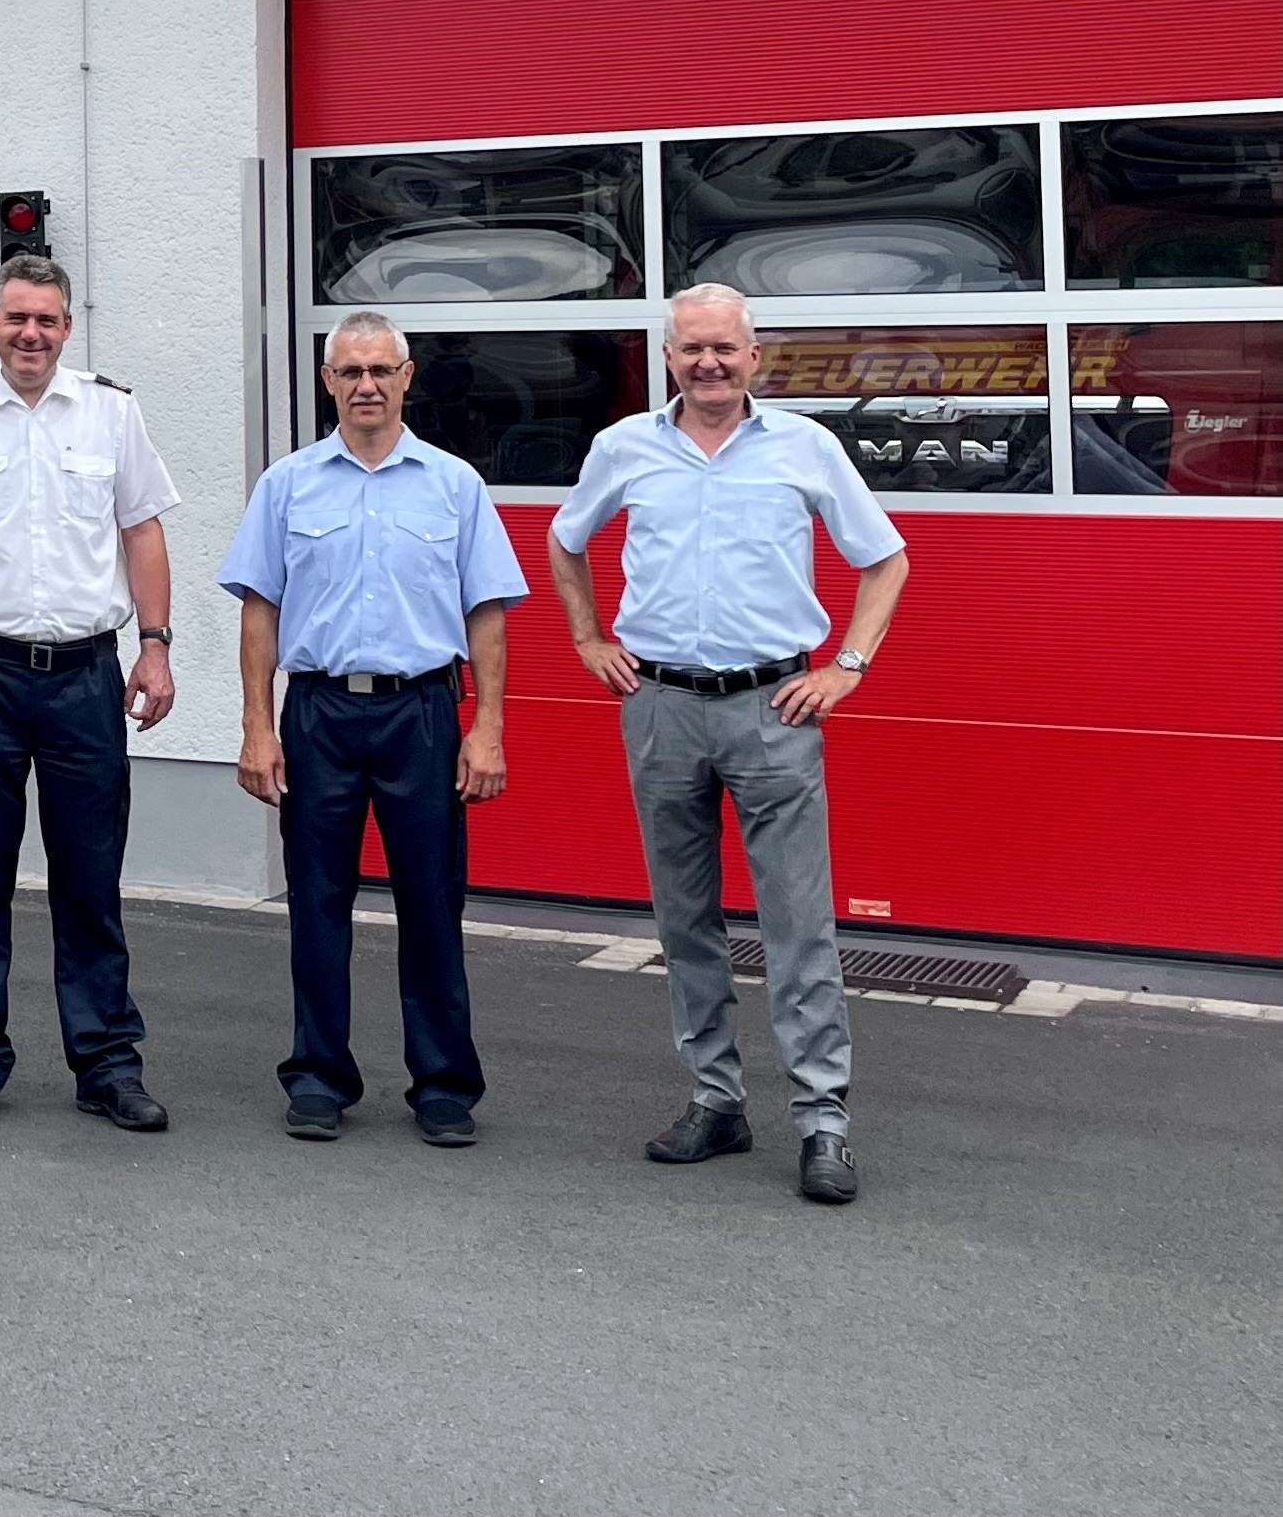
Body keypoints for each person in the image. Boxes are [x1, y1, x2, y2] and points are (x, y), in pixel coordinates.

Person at [548, 282, 909, 1207]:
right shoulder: (622, 447)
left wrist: (848, 665)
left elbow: (885, 556)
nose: (707, 363)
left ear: (756, 356)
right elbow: (564, 539)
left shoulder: (805, 447)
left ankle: (822, 1120)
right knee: (684, 919)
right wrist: (589, 637)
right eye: (689, 349)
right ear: (666, 356)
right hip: (661, 705)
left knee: (798, 922)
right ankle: (716, 1100)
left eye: (723, 348)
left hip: (772, 709)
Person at [0, 255, 182, 1133]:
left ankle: (106, 1062)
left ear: (65, 328)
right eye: (17, 318)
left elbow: (143, 530)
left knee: (89, 880)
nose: (31, 334)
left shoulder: (110, 412)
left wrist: (155, 648)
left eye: (47, 320)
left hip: (85, 677)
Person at [219, 311, 521, 1146]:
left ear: (407, 375)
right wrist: (255, 725)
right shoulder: (287, 484)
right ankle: (318, 1074)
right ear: (327, 382)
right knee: (316, 903)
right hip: (316, 711)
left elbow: (486, 611)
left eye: (379, 370)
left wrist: (485, 725)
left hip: (421, 710)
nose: (365, 386)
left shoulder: (453, 484)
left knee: (431, 903)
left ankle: (443, 1084)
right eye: (349, 372)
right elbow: (259, 608)